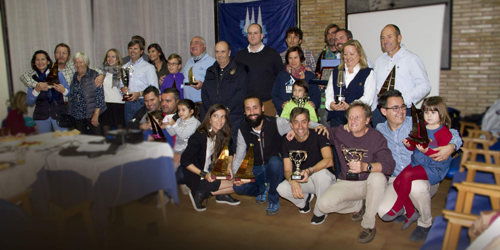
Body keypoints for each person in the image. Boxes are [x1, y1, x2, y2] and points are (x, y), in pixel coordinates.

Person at [375, 90, 462, 242]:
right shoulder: (380, 130)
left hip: (424, 176)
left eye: (403, 106)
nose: (401, 111)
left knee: (415, 186)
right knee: (383, 212)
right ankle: (409, 210)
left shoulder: (416, 123)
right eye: (395, 108)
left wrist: (452, 146)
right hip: (397, 178)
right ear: (383, 111)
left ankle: (425, 223)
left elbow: (449, 130)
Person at [233, 95, 327, 216]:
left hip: (276, 168)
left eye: (255, 107)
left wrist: (319, 126)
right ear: (244, 112)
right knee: (238, 188)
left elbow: (299, 124)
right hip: (256, 170)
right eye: (248, 109)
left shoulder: (276, 122)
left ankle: (273, 199)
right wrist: (237, 176)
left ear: (262, 108)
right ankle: (263, 188)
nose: (252, 112)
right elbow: (239, 157)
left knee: (275, 162)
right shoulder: (242, 130)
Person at [317, 101, 395, 244]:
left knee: (377, 177)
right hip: (348, 183)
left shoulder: (376, 137)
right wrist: (312, 128)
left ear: (367, 120)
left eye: (358, 117)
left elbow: (389, 165)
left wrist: (365, 166)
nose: (353, 121)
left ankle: (368, 225)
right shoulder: (340, 132)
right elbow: (319, 133)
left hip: (370, 183)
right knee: (323, 205)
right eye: (351, 117)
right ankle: (359, 205)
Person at [277, 107, 335, 225]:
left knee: (321, 175)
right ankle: (304, 201)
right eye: (296, 122)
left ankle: (320, 211)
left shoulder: (319, 134)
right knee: (281, 188)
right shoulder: (287, 141)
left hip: (326, 180)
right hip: (305, 178)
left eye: (304, 122)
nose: (300, 127)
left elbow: (329, 161)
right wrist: (292, 182)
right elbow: (287, 170)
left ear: (309, 123)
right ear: (291, 125)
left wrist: (310, 171)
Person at [181, 104, 239, 212]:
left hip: (211, 171)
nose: (220, 120)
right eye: (216, 116)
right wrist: (204, 174)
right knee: (237, 186)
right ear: (209, 118)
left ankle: (215, 194)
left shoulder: (222, 134)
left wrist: (229, 165)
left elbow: (230, 151)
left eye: (223, 117)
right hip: (197, 175)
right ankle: (199, 192)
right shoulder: (199, 137)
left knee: (240, 183)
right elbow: (184, 160)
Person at [371, 24, 431, 127]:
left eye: (389, 36)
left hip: (402, 113)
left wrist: (404, 101)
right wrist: (372, 110)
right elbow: (375, 88)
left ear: (399, 38)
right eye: (383, 38)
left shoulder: (412, 59)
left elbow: (425, 86)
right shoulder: (378, 61)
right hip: (380, 114)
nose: (385, 41)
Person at [202, 41, 248, 151]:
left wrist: (225, 110)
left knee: (232, 149)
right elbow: (204, 93)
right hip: (213, 118)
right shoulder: (210, 70)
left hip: (233, 117)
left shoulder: (240, 69)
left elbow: (242, 92)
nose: (219, 55)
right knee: (213, 148)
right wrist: (213, 112)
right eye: (217, 52)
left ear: (229, 53)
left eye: (223, 51)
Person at [325, 40, 376, 128]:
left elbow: (368, 98)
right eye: (345, 54)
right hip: (337, 117)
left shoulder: (368, 73)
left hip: (357, 119)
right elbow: (329, 91)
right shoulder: (337, 71)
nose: (348, 57)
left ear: (359, 54)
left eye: (352, 54)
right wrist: (330, 105)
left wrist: (351, 106)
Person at [235, 23, 283, 117]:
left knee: (269, 131)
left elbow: (280, 78)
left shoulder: (273, 54)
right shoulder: (239, 56)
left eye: (255, 33)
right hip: (247, 104)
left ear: (261, 35)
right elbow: (236, 80)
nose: (252, 36)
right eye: (250, 33)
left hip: (268, 103)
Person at [20, 43, 104, 89]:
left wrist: (100, 76)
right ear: (54, 54)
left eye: (64, 53)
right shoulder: (47, 68)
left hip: (71, 106)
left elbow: (94, 71)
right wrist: (38, 85)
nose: (61, 55)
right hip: (55, 107)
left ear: (68, 56)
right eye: (58, 53)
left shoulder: (74, 66)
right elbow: (24, 76)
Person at [25, 50, 69, 133]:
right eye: (37, 60)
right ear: (34, 62)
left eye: (43, 59)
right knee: (45, 143)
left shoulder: (58, 74)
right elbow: (29, 102)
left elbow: (69, 92)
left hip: (59, 113)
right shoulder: (32, 79)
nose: (40, 62)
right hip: (41, 116)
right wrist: (37, 89)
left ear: (48, 61)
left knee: (64, 141)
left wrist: (63, 90)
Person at [272, 46, 320, 116]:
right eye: (290, 58)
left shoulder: (309, 76)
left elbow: (316, 95)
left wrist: (314, 103)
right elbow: (275, 95)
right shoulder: (281, 75)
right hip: (286, 115)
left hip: (305, 116)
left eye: (295, 58)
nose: (293, 61)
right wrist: (281, 104)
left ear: (301, 58)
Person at [68, 52, 106, 135]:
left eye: (81, 62)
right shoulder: (75, 76)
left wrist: (96, 115)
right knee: (82, 141)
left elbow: (100, 97)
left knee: (98, 140)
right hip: (77, 115)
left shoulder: (94, 75)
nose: (78, 65)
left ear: (86, 62)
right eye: (76, 62)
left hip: (92, 114)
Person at [121, 40, 158, 124]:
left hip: (143, 103)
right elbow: (121, 85)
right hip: (128, 103)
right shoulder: (124, 67)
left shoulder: (148, 67)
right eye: (130, 48)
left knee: (144, 130)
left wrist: (139, 94)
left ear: (141, 51)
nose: (132, 51)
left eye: (135, 48)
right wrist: (123, 89)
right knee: (130, 130)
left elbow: (154, 88)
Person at [165, 99, 201, 169]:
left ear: (191, 111)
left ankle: (171, 178)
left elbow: (183, 135)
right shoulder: (179, 120)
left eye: (183, 110)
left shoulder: (194, 122)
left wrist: (174, 124)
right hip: (176, 148)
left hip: (187, 149)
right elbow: (172, 133)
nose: (180, 112)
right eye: (179, 110)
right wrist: (168, 125)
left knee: (175, 162)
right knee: (164, 159)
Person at [182, 36, 216, 106]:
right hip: (188, 105)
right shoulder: (188, 62)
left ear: (204, 46)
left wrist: (203, 85)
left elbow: (217, 84)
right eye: (191, 44)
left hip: (203, 105)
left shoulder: (212, 62)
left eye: (196, 43)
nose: (193, 45)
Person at [100, 49, 125, 135]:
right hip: (105, 104)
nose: (110, 59)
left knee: (119, 133)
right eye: (108, 56)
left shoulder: (123, 71)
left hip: (118, 104)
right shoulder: (102, 71)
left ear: (118, 59)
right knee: (106, 132)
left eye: (113, 57)